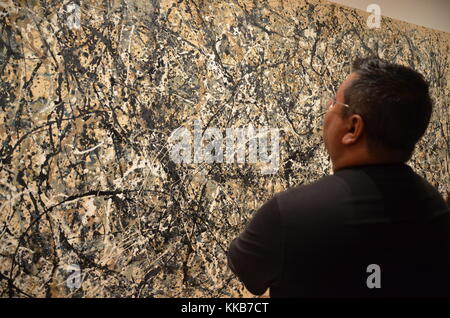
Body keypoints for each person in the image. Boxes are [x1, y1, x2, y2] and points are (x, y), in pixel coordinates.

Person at [227, 57, 450, 298]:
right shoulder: (434, 206)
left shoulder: (290, 213)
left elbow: (250, 274)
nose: (327, 111)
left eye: (334, 103)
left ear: (353, 128)